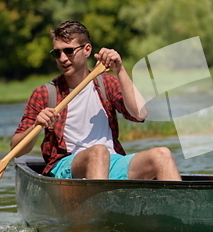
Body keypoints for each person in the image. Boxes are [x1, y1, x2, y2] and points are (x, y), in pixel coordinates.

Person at [11, 21, 181, 181]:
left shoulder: (106, 83)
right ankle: (100, 211)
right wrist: (36, 125)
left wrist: (119, 69)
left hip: (113, 161)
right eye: (57, 53)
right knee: (98, 152)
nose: (62, 58)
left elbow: (140, 114)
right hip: (65, 165)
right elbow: (17, 149)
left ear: (87, 50)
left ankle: (182, 209)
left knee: (162, 154)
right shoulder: (45, 93)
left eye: (69, 51)